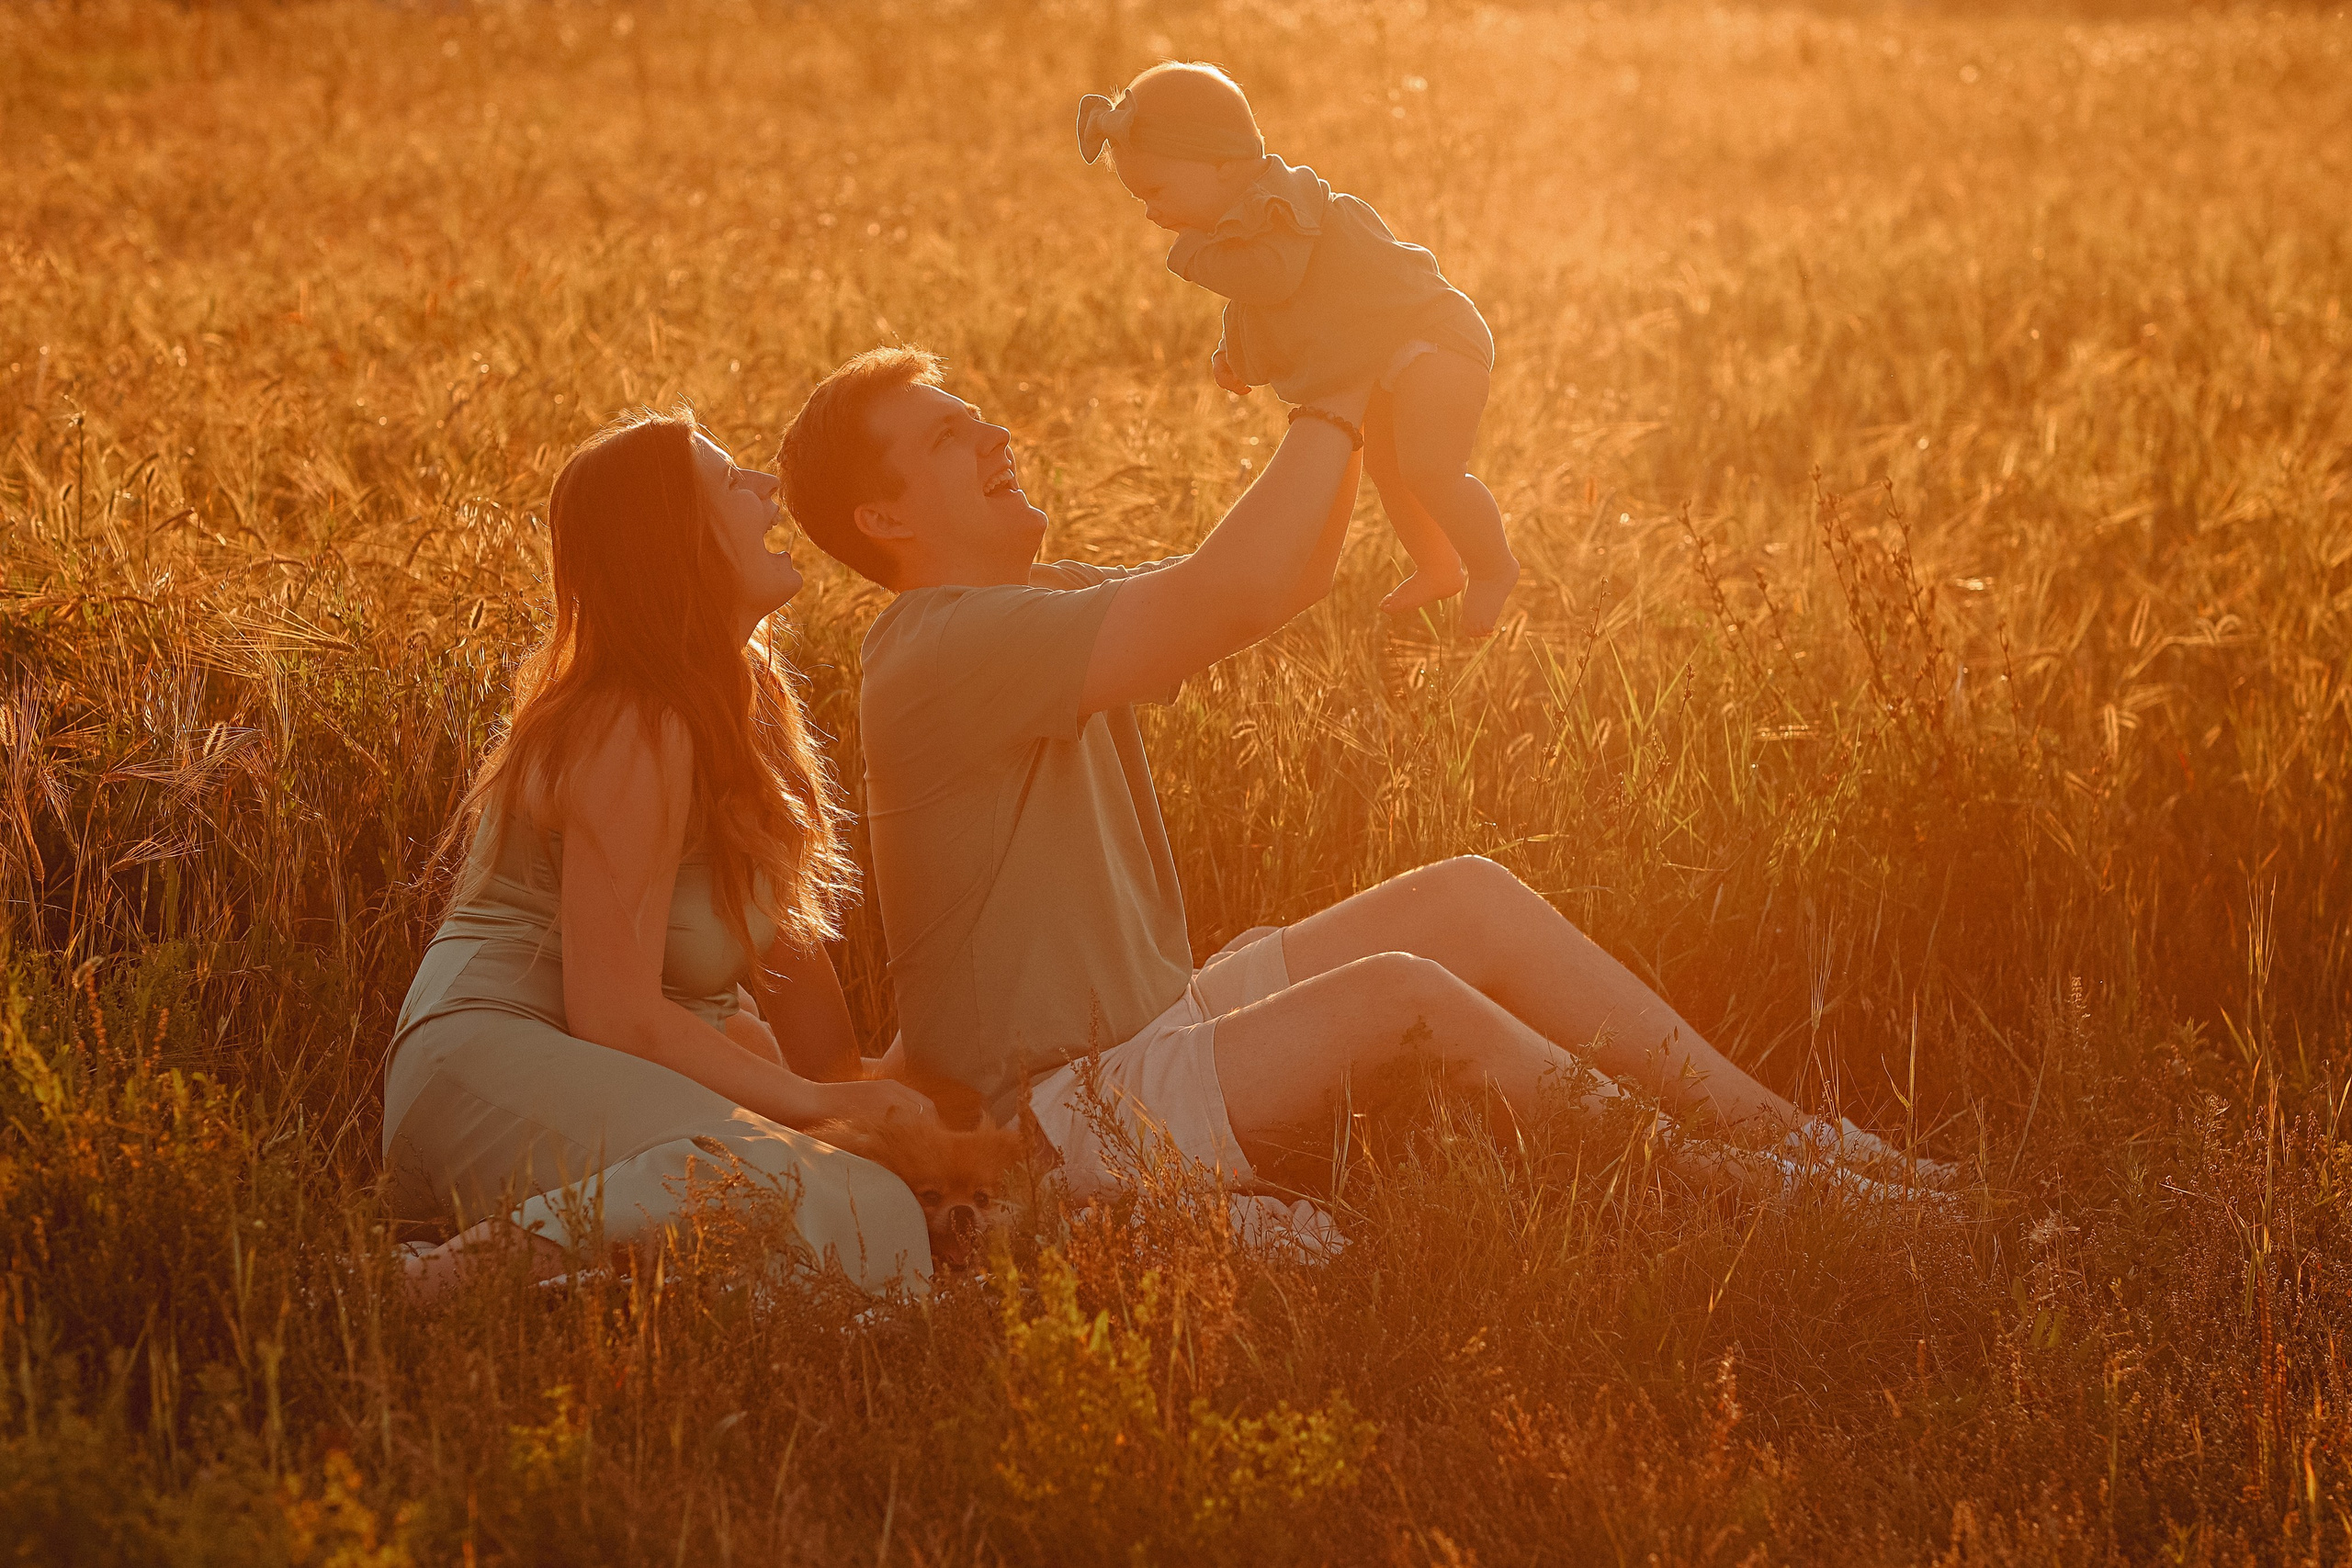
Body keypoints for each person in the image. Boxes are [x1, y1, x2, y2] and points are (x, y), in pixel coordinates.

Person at [773, 348, 1945, 1225]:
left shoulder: (1021, 609)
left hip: (1145, 1033)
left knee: (1464, 899)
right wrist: (1330, 398)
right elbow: (1233, 588)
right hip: (1050, 1117)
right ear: (884, 518)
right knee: (1400, 995)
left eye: (972, 412)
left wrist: (1354, 387)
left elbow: (1280, 580)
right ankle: (1771, 1196)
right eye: (946, 436)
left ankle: (1812, 1145)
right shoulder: (935, 648)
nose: (990, 431)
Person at [384, 409, 942, 1299]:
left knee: (872, 1207)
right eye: (729, 480)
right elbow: (613, 1011)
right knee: (779, 1185)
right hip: (490, 1065)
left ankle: (571, 1293)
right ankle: (408, 1289)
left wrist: (870, 1105)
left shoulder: (745, 702)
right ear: (675, 542)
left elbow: (798, 990)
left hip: (605, 1080)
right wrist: (816, 1107)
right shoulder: (633, 718)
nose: (766, 486)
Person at [1079, 60, 1520, 634]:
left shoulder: (1278, 208)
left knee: (1430, 469)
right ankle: (1440, 567)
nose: (1150, 211)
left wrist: (1191, 255)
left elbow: (1271, 281)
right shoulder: (1249, 220)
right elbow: (1263, 304)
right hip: (1391, 352)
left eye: (1156, 191)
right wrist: (1234, 354)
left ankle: (1492, 567)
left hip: (1435, 337)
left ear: (1223, 165)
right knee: (1391, 470)